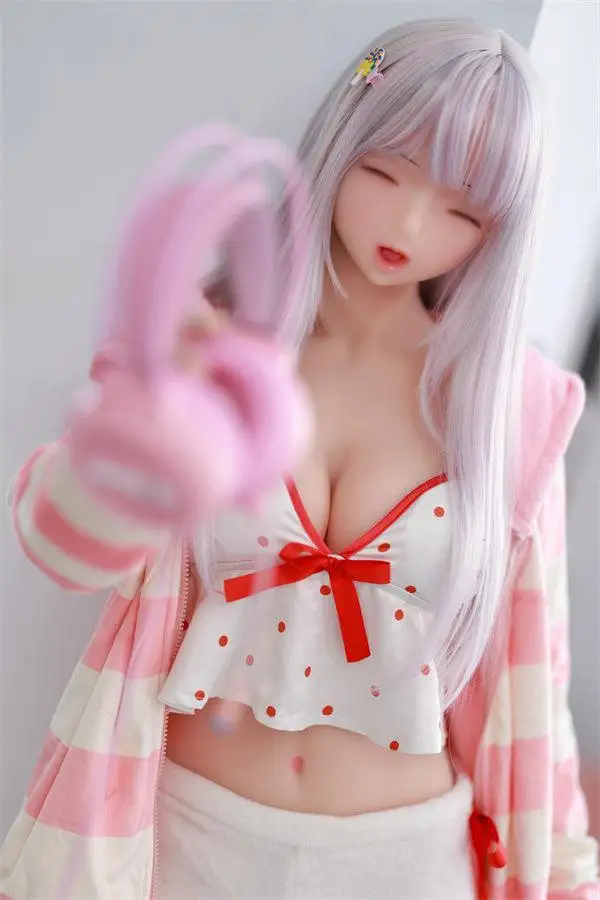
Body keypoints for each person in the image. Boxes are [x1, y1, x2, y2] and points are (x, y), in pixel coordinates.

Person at [1, 17, 598, 900]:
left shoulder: (511, 410)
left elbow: (534, 683)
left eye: (461, 209)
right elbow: (58, 547)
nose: (408, 222)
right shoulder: (212, 344)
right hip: (184, 841)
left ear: (497, 230)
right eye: (385, 170)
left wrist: (571, 881)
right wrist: (150, 415)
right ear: (341, 142)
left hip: (405, 863)